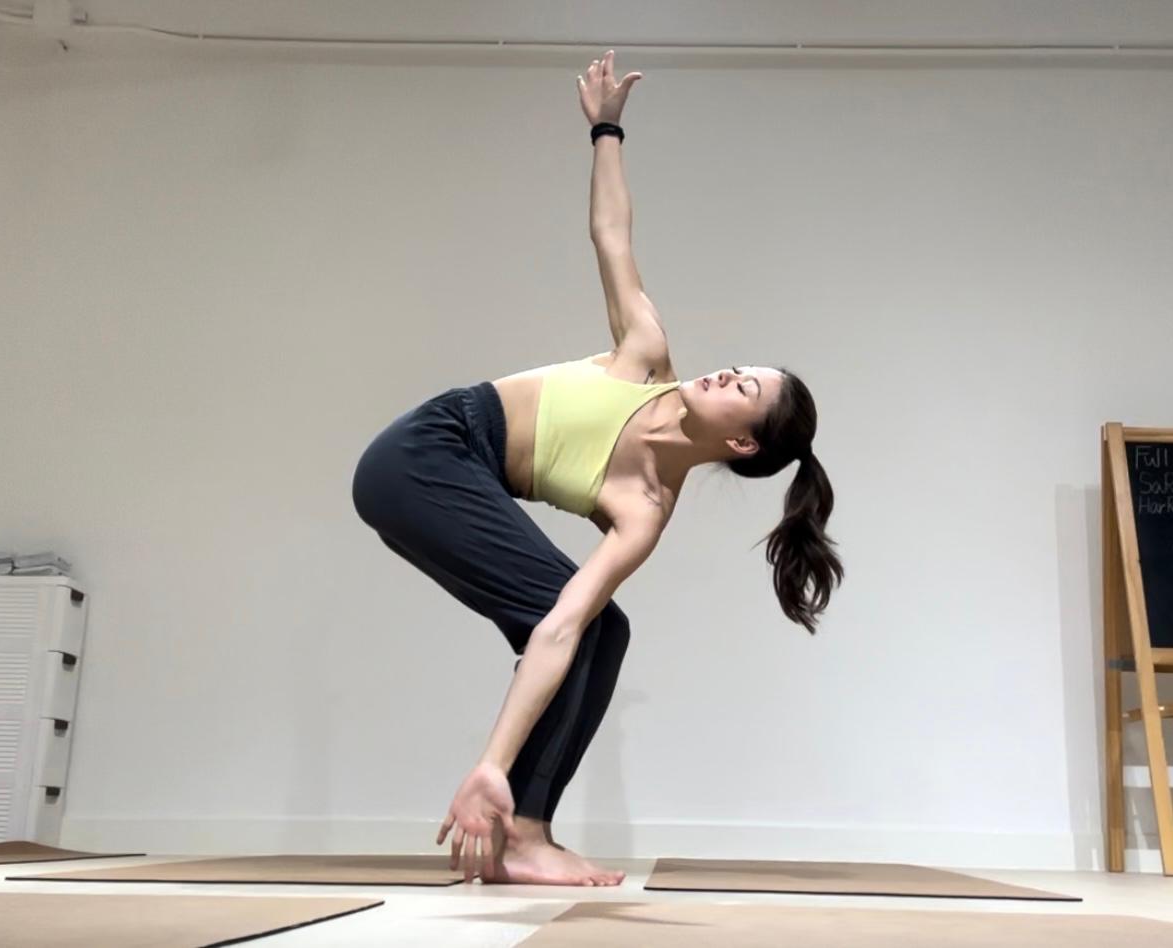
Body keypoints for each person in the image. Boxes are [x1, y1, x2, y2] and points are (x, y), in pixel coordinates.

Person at [352, 50, 843, 887]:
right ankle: (523, 833)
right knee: (573, 618)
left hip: (446, 474)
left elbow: (559, 628)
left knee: (600, 627)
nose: (726, 373)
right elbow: (611, 235)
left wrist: (490, 762)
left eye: (744, 389)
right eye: (738, 366)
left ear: (742, 444)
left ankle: (524, 828)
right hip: (422, 451)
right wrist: (606, 130)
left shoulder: (643, 507)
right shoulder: (643, 355)